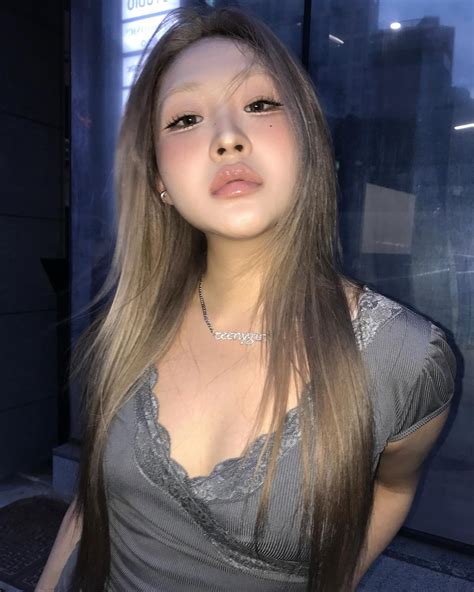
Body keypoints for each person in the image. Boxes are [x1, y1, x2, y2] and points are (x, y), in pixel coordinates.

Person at [36, 5, 456, 592]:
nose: (228, 138)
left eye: (259, 105)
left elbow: (393, 486)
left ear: (306, 139)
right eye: (185, 119)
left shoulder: (403, 359)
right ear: (158, 178)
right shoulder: (126, 332)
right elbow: (89, 507)